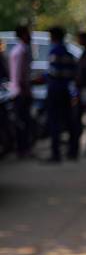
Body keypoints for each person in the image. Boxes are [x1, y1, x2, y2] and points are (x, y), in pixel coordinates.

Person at [45, 26, 79, 163]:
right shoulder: (68, 53)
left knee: (54, 123)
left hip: (54, 91)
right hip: (65, 91)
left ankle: (56, 154)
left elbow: (53, 73)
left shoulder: (54, 52)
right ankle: (72, 151)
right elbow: (73, 74)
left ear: (53, 37)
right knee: (69, 121)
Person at [8, 25, 33, 158]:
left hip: (19, 91)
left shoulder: (20, 50)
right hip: (20, 93)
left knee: (23, 121)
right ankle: (22, 149)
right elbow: (19, 76)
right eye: (28, 33)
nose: (30, 36)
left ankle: (23, 148)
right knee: (22, 122)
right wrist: (26, 91)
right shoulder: (21, 51)